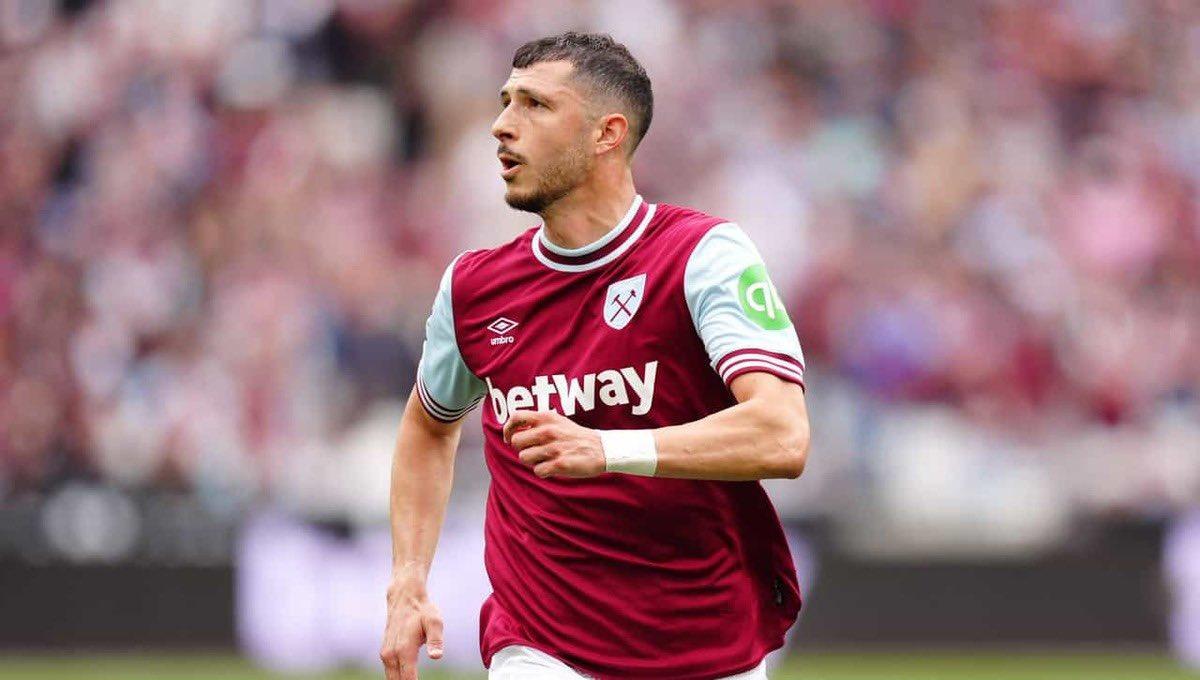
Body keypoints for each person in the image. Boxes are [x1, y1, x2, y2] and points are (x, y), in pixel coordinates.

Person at [379, 32, 811, 680]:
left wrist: (607, 450)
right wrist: (408, 577)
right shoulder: (475, 288)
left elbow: (782, 434)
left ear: (607, 134)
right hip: (541, 644)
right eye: (504, 102)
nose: (501, 126)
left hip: (704, 639)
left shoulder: (701, 256)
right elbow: (428, 426)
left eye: (534, 105)